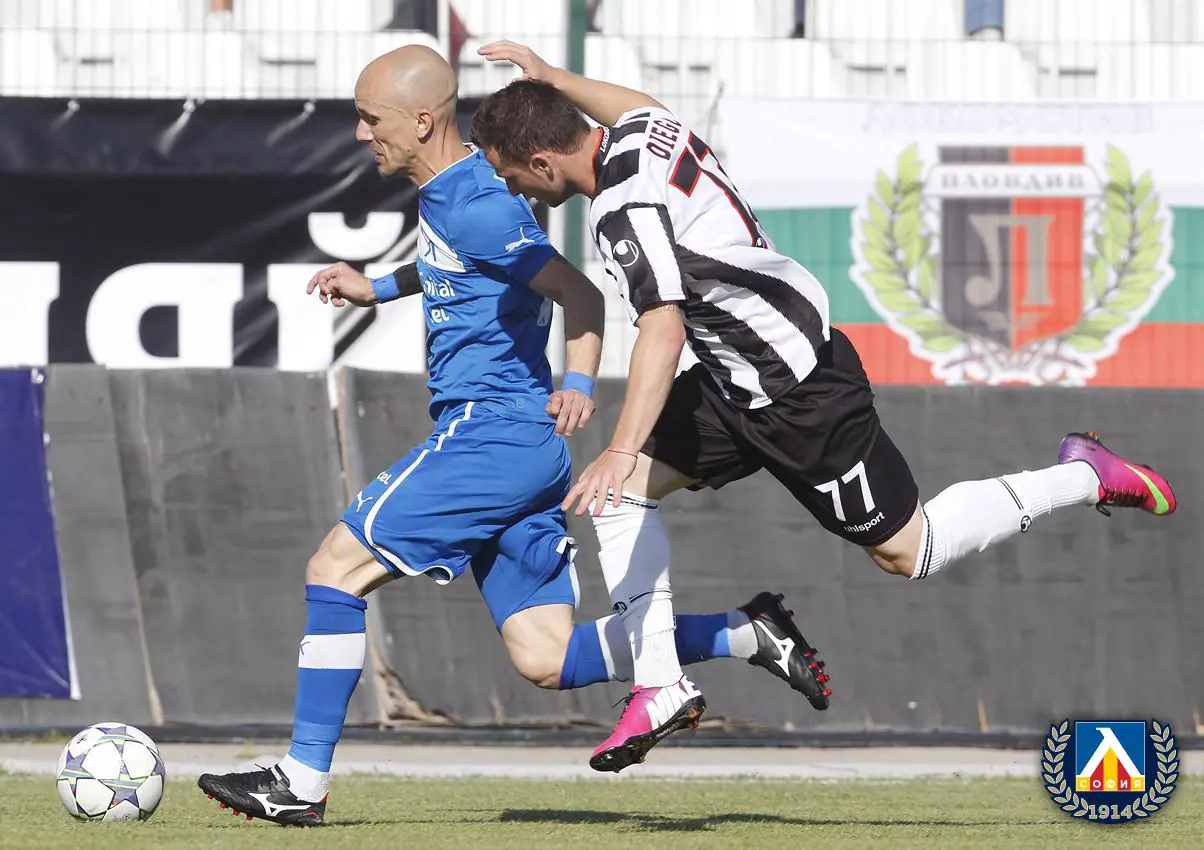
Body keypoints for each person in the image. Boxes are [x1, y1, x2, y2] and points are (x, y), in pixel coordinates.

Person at [468, 41, 1180, 773]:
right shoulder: (642, 133)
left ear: (544, 163)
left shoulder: (621, 211)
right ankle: (659, 686)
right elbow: (642, 105)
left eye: (509, 171)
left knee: (910, 550)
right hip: (732, 380)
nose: (511, 187)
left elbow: (663, 326)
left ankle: (1085, 475)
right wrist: (554, 79)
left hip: (799, 393)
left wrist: (621, 446)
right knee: (618, 499)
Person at [196, 44, 831, 827]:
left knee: (334, 568)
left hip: (488, 438)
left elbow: (579, 293)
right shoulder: (455, 194)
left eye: (370, 119)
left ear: (421, 121)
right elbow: (465, 267)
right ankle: (745, 634)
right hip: (522, 451)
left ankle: (300, 780)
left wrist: (578, 383)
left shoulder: (475, 201)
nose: (361, 135)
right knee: (546, 656)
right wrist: (377, 286)